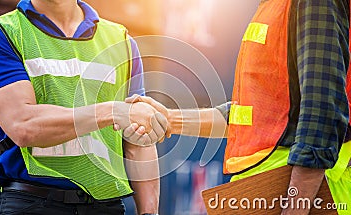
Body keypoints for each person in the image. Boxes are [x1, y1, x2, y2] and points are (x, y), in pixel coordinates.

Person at [125, 0, 351, 214]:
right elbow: (255, 115)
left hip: (308, 190)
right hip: (272, 188)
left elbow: (322, 107)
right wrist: (170, 119)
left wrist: (297, 205)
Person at [0, 0, 167, 214]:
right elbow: (24, 125)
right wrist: (112, 111)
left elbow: (138, 136)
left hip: (105, 206)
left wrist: (149, 212)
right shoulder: (1, 34)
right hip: (32, 203)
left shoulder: (122, 42)